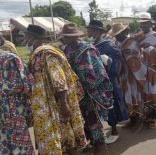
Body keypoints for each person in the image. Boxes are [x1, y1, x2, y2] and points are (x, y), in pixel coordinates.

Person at [25, 25, 88, 154]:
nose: (24, 39)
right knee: (63, 135)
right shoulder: (38, 53)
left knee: (66, 136)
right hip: (47, 104)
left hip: (55, 104)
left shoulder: (47, 54)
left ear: (32, 38)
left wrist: (64, 104)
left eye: (26, 36)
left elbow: (59, 79)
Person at [59, 23, 113, 155]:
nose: (64, 39)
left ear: (74, 37)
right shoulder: (66, 51)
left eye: (66, 36)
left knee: (94, 126)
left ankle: (101, 149)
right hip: (75, 96)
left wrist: (89, 87)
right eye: (64, 36)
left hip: (89, 95)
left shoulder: (87, 49)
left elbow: (98, 72)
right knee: (83, 126)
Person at [0, 32, 34, 154]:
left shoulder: (10, 59)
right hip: (3, 117)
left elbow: (25, 85)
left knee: (20, 150)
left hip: (15, 115)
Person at [87, 21, 128, 144]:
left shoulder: (109, 45)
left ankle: (114, 130)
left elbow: (117, 64)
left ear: (98, 31)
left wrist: (107, 60)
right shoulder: (92, 45)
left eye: (90, 30)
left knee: (112, 105)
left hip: (109, 80)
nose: (88, 32)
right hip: (97, 81)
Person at [113, 23, 146, 133]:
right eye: (115, 35)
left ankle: (139, 120)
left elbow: (136, 58)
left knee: (135, 96)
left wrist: (122, 57)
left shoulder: (131, 43)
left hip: (133, 74)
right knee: (127, 98)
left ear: (125, 32)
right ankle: (132, 119)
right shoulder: (118, 42)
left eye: (118, 34)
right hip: (124, 75)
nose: (116, 36)